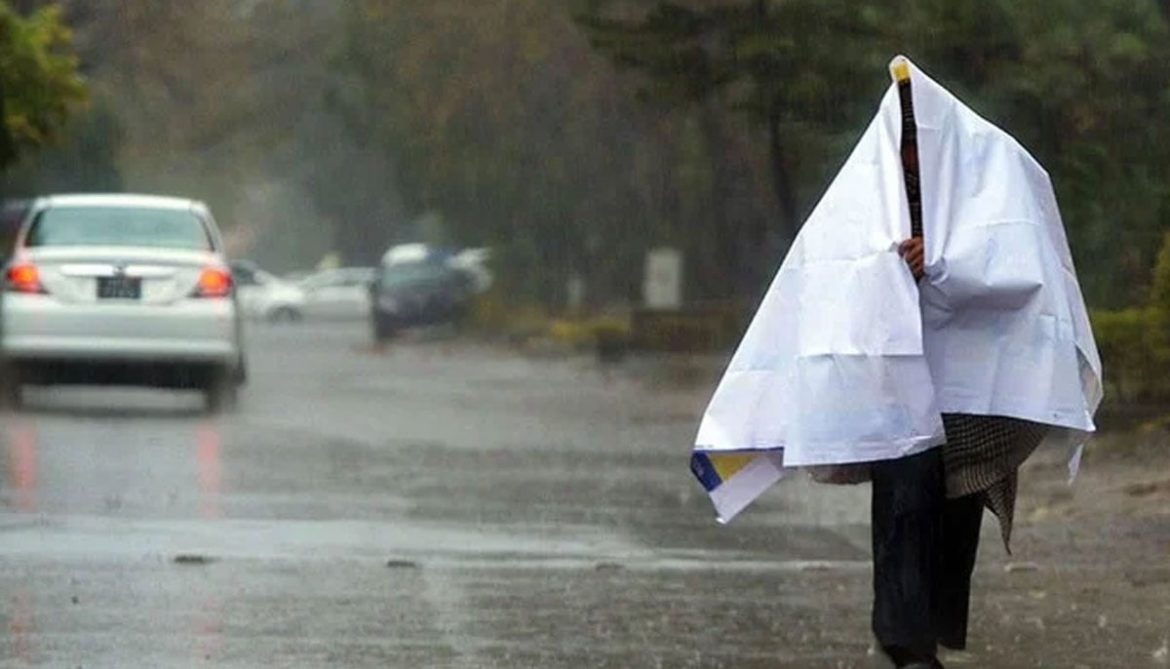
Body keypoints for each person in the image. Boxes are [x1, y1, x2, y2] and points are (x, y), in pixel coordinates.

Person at [689, 56, 1101, 668]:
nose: (909, 159)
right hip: (901, 383)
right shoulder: (872, 186)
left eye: (915, 145)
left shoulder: (995, 166)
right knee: (905, 502)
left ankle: (925, 634)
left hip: (973, 395)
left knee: (957, 511)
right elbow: (831, 267)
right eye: (902, 147)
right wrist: (889, 267)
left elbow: (1025, 263)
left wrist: (944, 260)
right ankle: (905, 640)